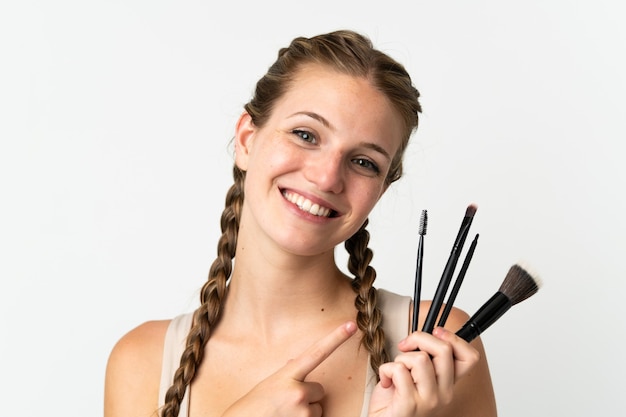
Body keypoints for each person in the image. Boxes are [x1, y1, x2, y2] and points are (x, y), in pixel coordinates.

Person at [104, 30, 497, 417]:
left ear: (380, 190)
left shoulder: (433, 347)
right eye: (305, 134)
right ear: (246, 140)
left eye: (364, 162)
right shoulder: (143, 362)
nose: (326, 177)